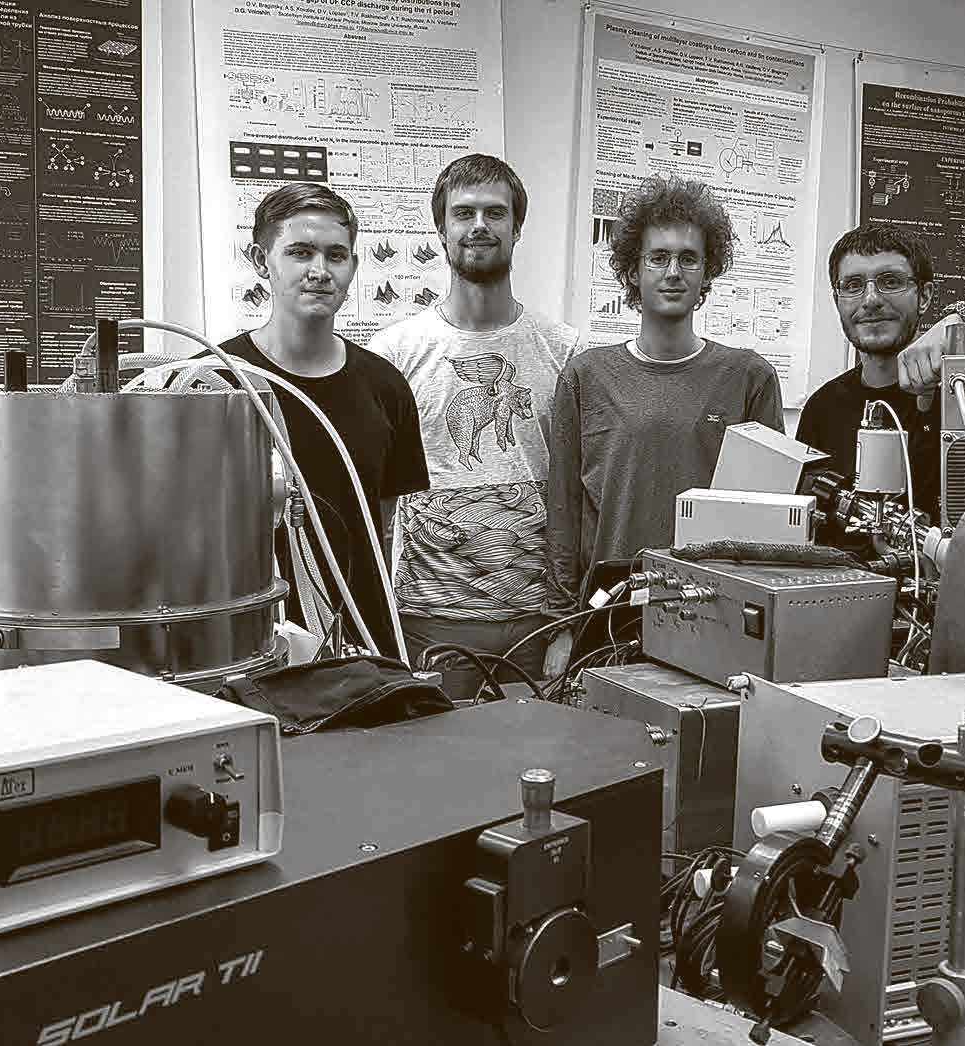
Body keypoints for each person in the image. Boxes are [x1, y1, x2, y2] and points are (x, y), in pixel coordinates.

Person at [368, 155, 583, 699]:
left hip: (536, 621)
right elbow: (379, 500)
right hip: (429, 620)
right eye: (463, 213)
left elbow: (577, 492)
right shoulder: (394, 353)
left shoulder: (564, 350)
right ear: (441, 229)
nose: (480, 226)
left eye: (495, 212)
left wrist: (567, 622)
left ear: (517, 227)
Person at [546, 174, 784, 600]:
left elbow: (769, 520)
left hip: (713, 608)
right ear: (633, 270)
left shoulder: (750, 378)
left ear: (707, 272)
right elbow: (563, 512)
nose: (673, 272)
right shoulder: (585, 377)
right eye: (658, 258)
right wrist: (561, 617)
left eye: (688, 258)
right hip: (610, 608)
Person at [221, 183, 429, 658]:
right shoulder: (216, 383)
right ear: (260, 261)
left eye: (336, 255)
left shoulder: (385, 387)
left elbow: (383, 528)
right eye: (300, 252)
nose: (320, 271)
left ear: (353, 266)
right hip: (249, 644)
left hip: (362, 639)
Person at [795, 225, 941, 523]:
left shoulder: (960, 400)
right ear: (837, 300)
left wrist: (960, 319)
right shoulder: (822, 408)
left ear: (924, 296)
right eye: (853, 285)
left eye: (891, 282)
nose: (871, 299)